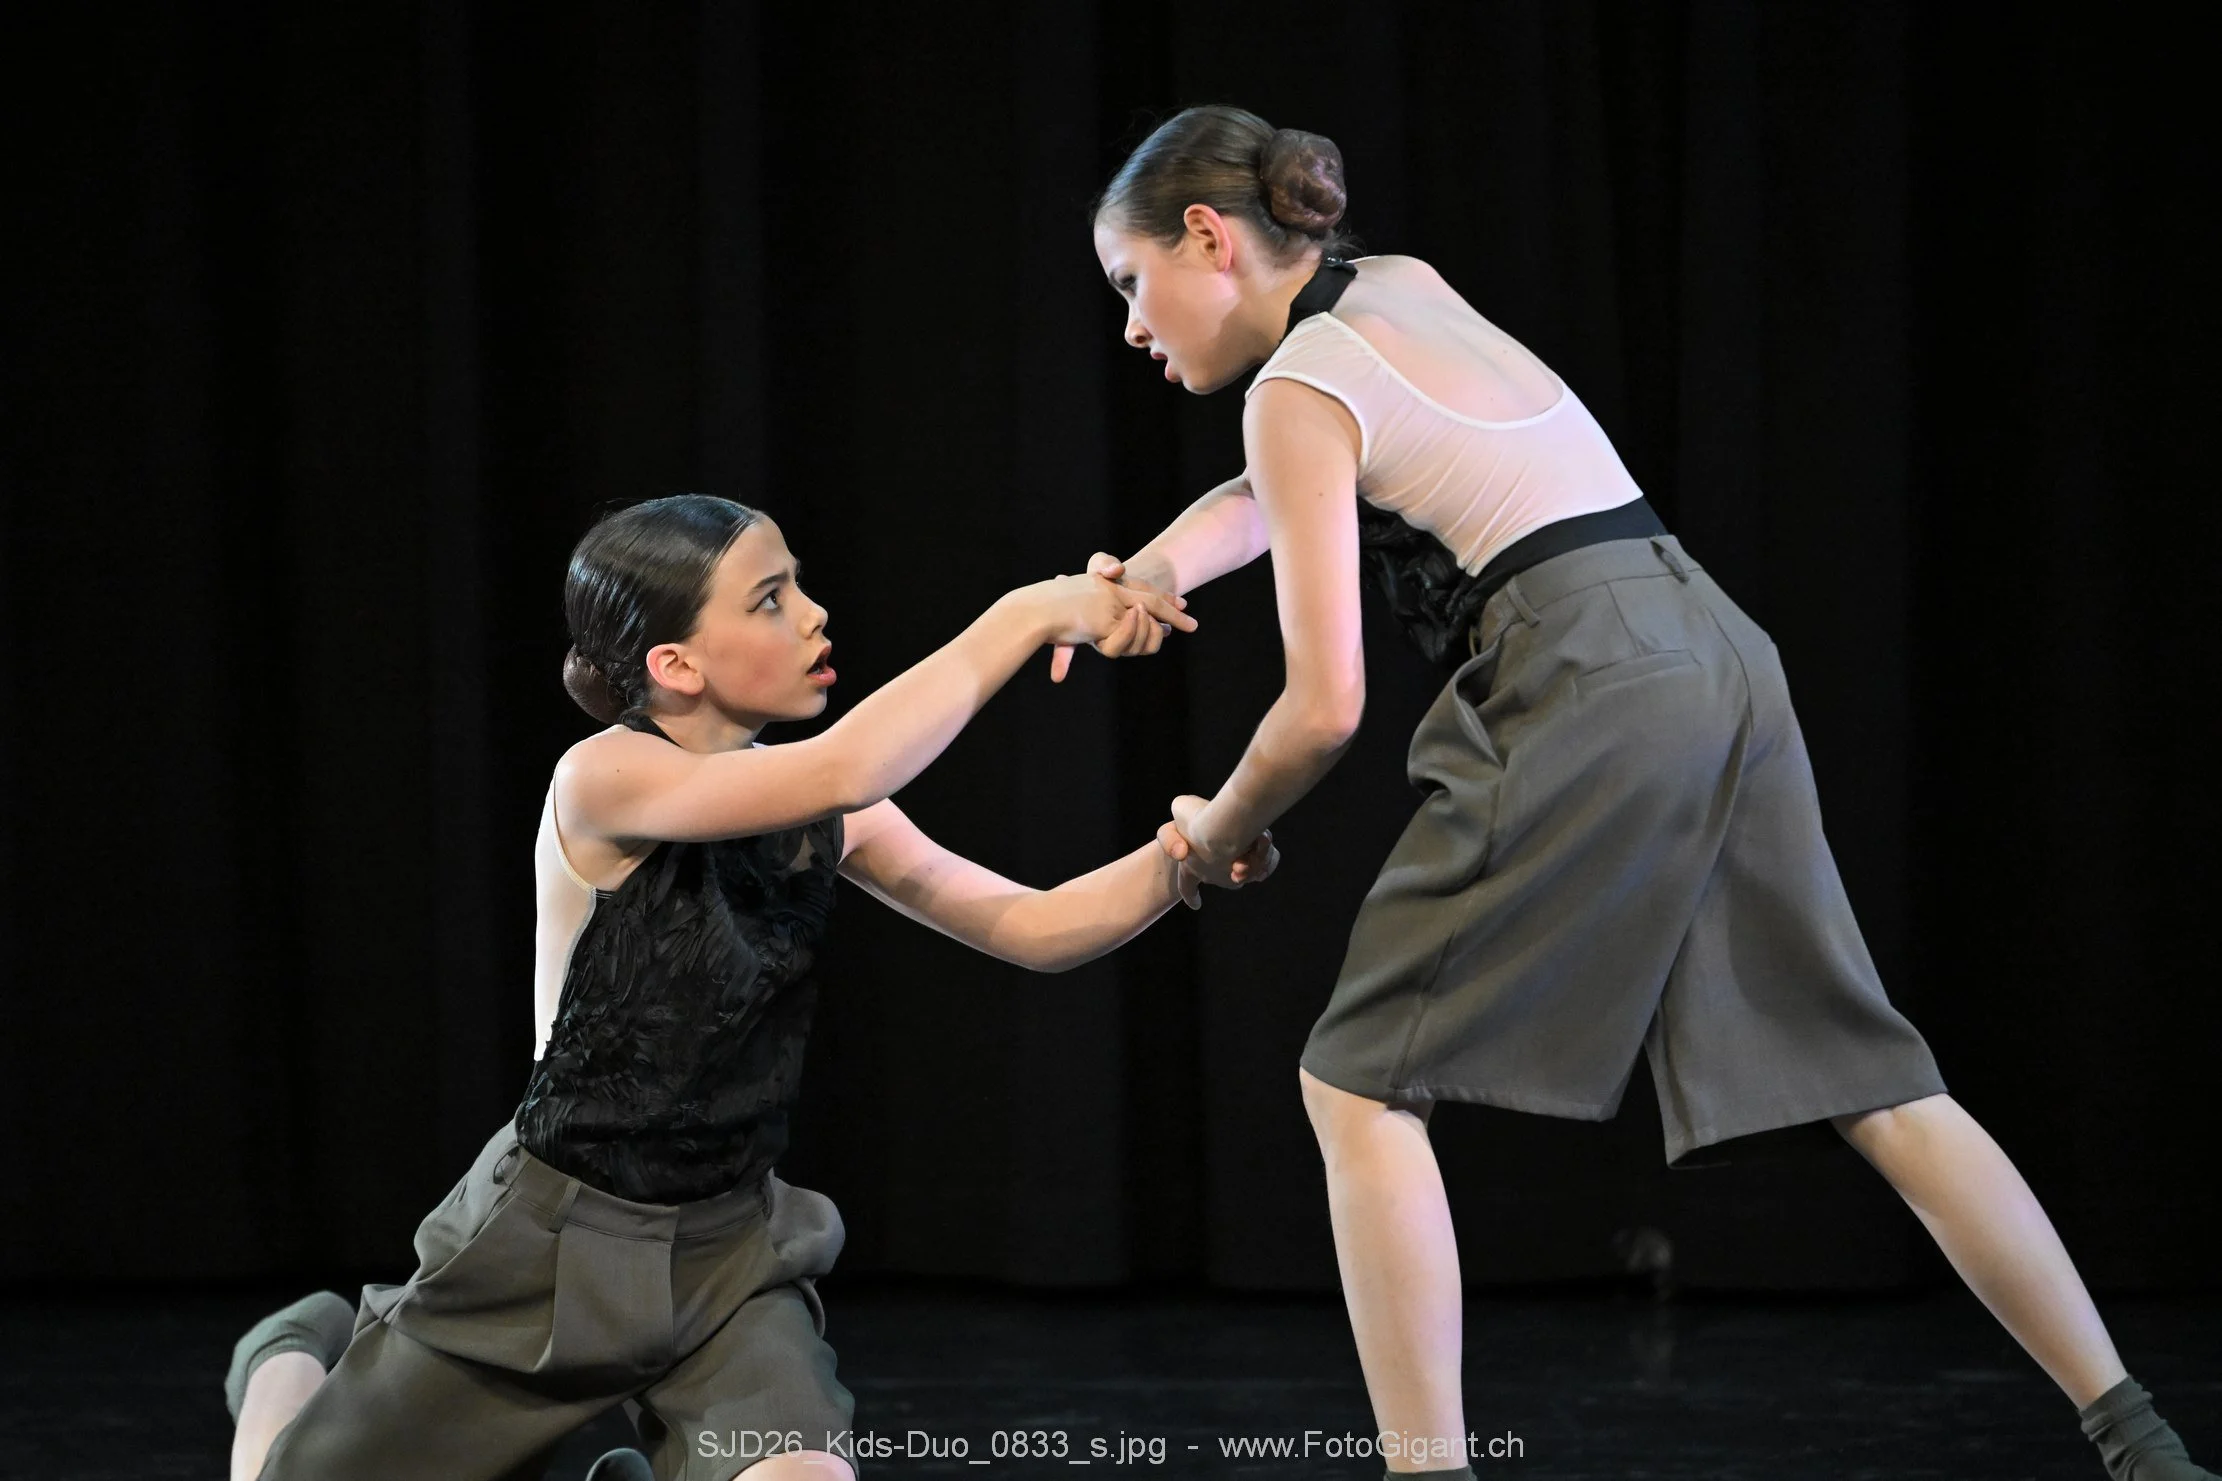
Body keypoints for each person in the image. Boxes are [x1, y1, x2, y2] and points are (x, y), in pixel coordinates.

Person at [1073, 104, 2215, 1481]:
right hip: (1708, 643)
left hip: (1588, 671)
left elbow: (1322, 706)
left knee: (1355, 1083)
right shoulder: (1395, 289)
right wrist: (1155, 567)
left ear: (1206, 237)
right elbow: (1288, 485)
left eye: (1131, 283)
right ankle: (2144, 1446)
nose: (1131, 327)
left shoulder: (1295, 387)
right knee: (1878, 1081)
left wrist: (1216, 833)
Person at [221, 494, 1275, 1481]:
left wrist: (1186, 853)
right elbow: (848, 764)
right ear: (674, 663)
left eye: (798, 585)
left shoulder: (830, 811)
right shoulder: (604, 778)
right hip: (546, 1250)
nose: (813, 614)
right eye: (770, 598)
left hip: (727, 1252)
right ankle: (291, 1349)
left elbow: (1035, 926)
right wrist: (1030, 610)